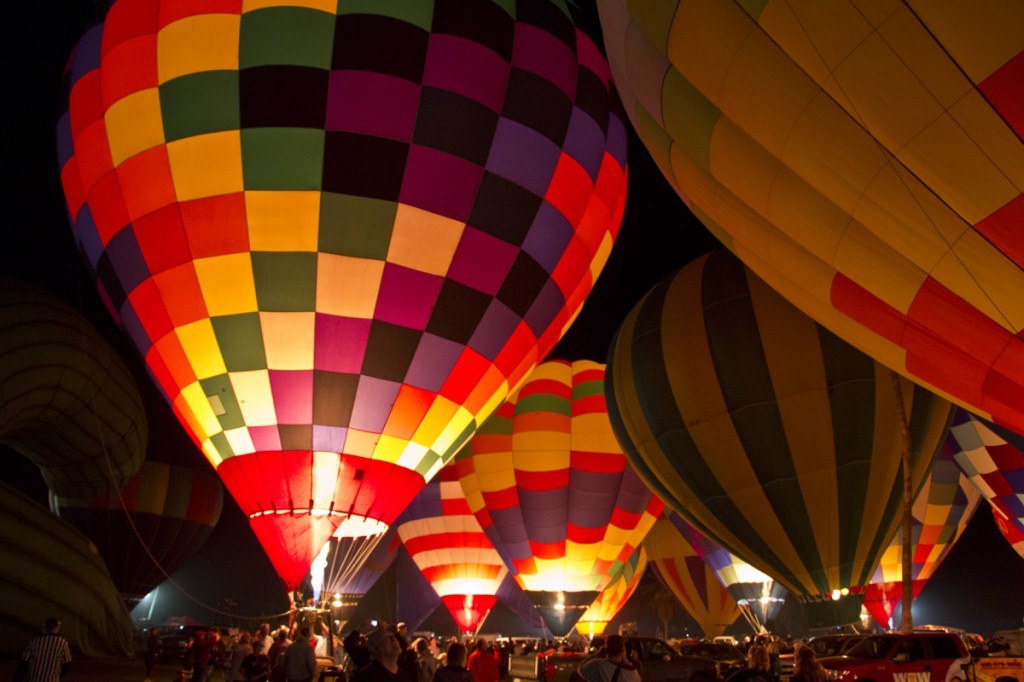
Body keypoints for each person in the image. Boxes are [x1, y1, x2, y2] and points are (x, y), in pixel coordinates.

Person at [16, 617, 72, 682]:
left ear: (45, 627)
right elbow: (65, 665)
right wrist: (57, 677)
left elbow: (23, 663)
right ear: (57, 628)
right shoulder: (63, 644)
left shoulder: (34, 642)